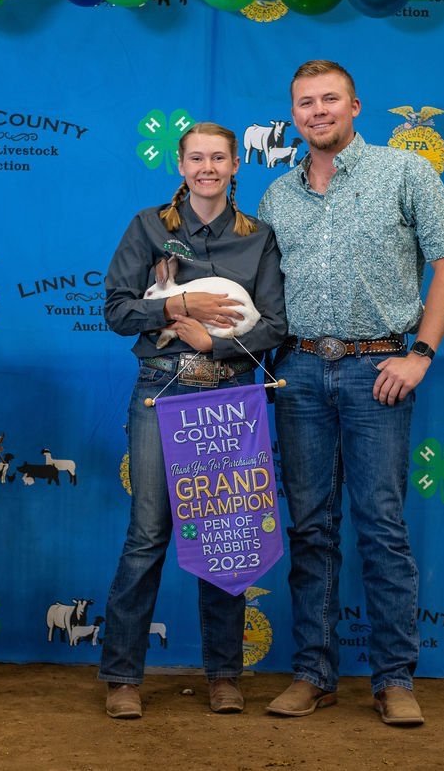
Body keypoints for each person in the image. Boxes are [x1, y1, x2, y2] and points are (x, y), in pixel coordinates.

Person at [258, 61, 444, 727]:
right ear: (293, 115)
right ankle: (314, 672)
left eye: (329, 99)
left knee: (381, 524)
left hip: (377, 367)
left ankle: (394, 677)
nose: (317, 111)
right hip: (295, 371)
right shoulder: (274, 197)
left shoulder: (405, 172)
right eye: (305, 103)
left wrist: (421, 353)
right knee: (311, 526)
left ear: (355, 105)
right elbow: (256, 294)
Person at [99, 122, 287, 719]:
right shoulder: (148, 227)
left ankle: (224, 674)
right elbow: (116, 308)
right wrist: (182, 304)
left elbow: (275, 326)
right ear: (180, 166)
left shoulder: (259, 238)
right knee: (147, 535)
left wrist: (212, 341)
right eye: (196, 158)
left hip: (230, 393)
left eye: (219, 158)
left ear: (237, 166)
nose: (207, 167)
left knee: (225, 536)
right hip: (161, 390)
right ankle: (123, 676)